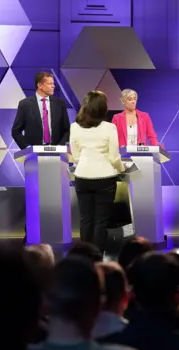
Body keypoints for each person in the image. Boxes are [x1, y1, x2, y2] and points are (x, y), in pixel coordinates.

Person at [70, 90, 125, 252]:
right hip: (105, 178)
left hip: (82, 176)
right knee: (101, 221)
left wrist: (86, 163)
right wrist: (123, 169)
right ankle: (97, 256)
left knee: (86, 219)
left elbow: (76, 155)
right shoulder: (109, 128)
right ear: (103, 108)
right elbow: (114, 157)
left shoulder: (74, 127)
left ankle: (85, 255)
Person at [11, 72, 70, 149]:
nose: (53, 86)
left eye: (53, 83)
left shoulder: (59, 104)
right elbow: (16, 131)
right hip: (33, 154)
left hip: (56, 152)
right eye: (50, 84)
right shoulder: (25, 104)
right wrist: (27, 147)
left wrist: (60, 147)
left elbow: (67, 130)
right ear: (40, 85)